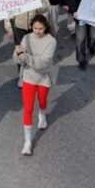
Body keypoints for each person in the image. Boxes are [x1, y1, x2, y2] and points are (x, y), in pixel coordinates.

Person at [13, 14, 57, 156]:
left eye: (40, 28)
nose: (37, 31)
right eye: (35, 28)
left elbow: (44, 62)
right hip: (29, 77)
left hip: (44, 77)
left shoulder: (51, 41)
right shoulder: (26, 38)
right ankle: (27, 142)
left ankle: (42, 114)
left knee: (42, 101)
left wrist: (27, 57)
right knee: (28, 108)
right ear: (31, 27)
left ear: (46, 28)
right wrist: (18, 53)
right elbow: (19, 59)